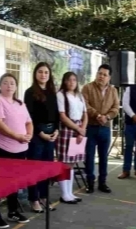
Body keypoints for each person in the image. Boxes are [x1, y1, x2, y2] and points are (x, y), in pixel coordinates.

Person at [0, 74, 33, 225]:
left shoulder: (20, 103)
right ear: (0, 86)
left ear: (16, 86)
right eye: (5, 83)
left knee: (14, 182)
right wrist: (17, 136)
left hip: (20, 149)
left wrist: (28, 135)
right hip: (1, 148)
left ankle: (13, 211)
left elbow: (29, 122)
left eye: (12, 83)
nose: (9, 85)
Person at [24, 62, 60, 213]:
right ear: (35, 74)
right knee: (34, 168)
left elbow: (57, 113)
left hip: (51, 133)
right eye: (40, 72)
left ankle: (44, 197)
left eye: (46, 72)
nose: (43, 75)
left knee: (46, 168)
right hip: (38, 134)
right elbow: (29, 116)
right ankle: (34, 199)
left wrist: (57, 130)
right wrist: (40, 133)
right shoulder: (30, 92)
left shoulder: (52, 92)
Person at [82, 64, 120, 193]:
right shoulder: (87, 88)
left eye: (105, 75)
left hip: (105, 128)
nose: (101, 77)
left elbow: (115, 108)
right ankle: (90, 182)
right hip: (91, 127)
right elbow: (85, 105)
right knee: (90, 156)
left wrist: (107, 117)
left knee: (104, 157)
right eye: (100, 73)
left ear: (109, 77)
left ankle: (102, 182)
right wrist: (97, 115)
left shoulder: (113, 91)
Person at [56, 72, 87, 203]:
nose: (71, 82)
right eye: (69, 80)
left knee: (73, 162)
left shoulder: (79, 95)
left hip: (79, 128)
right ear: (64, 81)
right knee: (64, 163)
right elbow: (62, 116)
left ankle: (70, 192)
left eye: (74, 80)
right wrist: (77, 129)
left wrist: (82, 130)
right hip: (67, 129)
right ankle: (64, 194)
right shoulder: (60, 95)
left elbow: (85, 114)